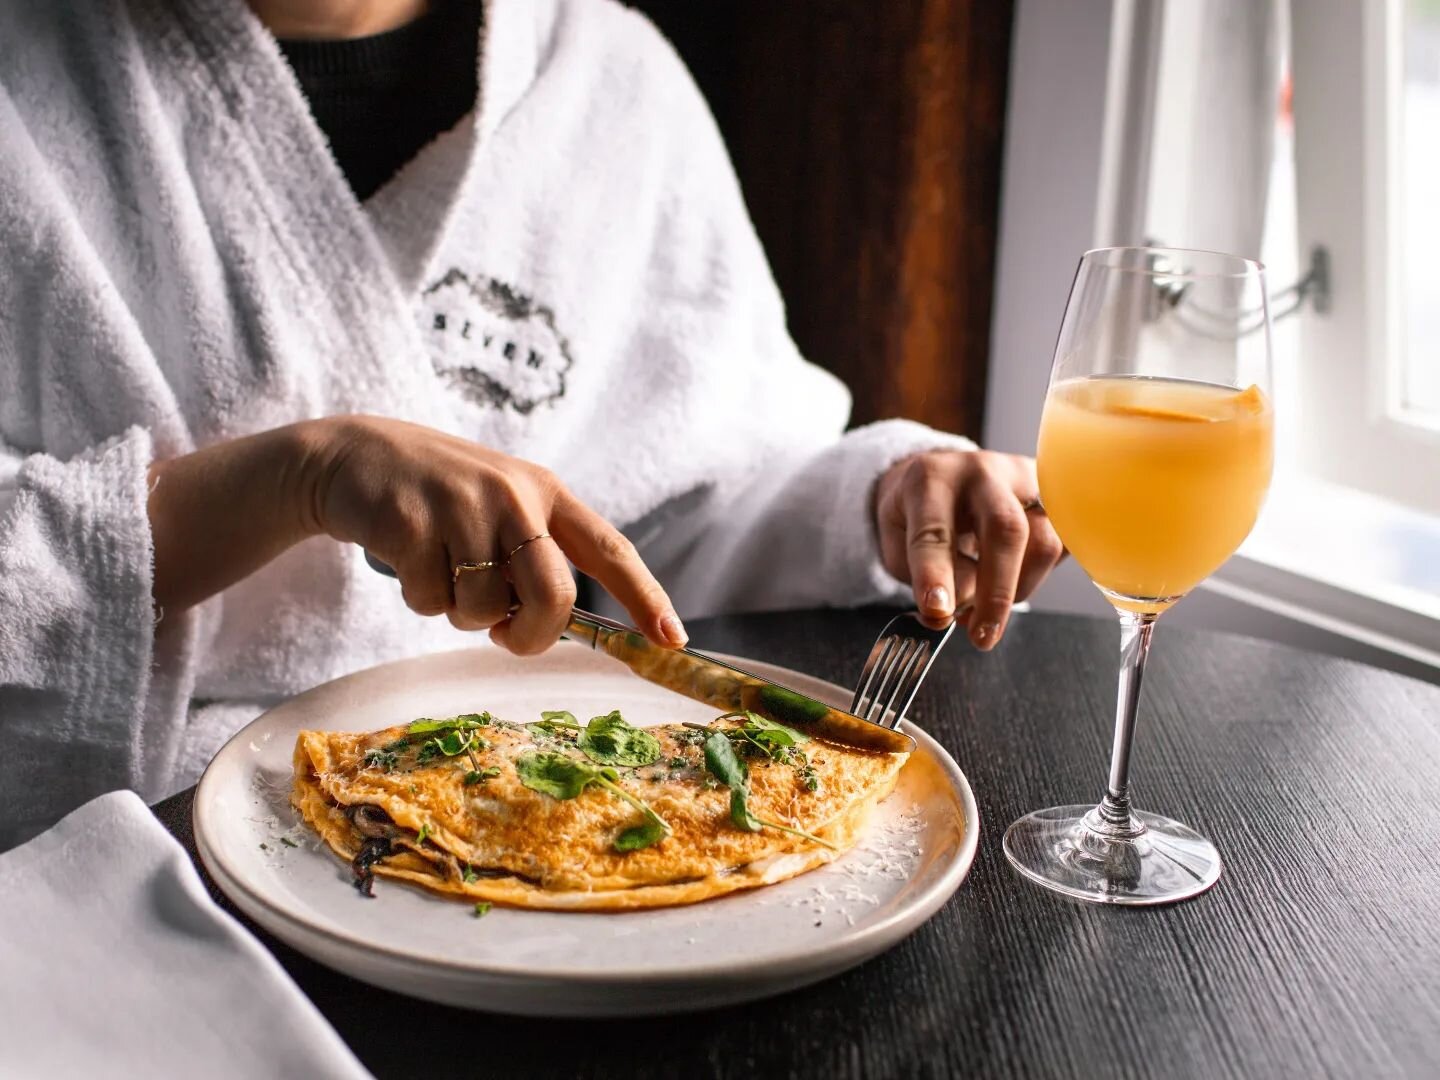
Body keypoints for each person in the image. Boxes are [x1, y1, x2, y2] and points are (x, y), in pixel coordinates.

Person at [0, 0, 1064, 848]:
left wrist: (885, 498)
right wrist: (295, 478)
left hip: (535, 819)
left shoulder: (609, 82)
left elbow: (684, 505)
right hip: (130, 853)